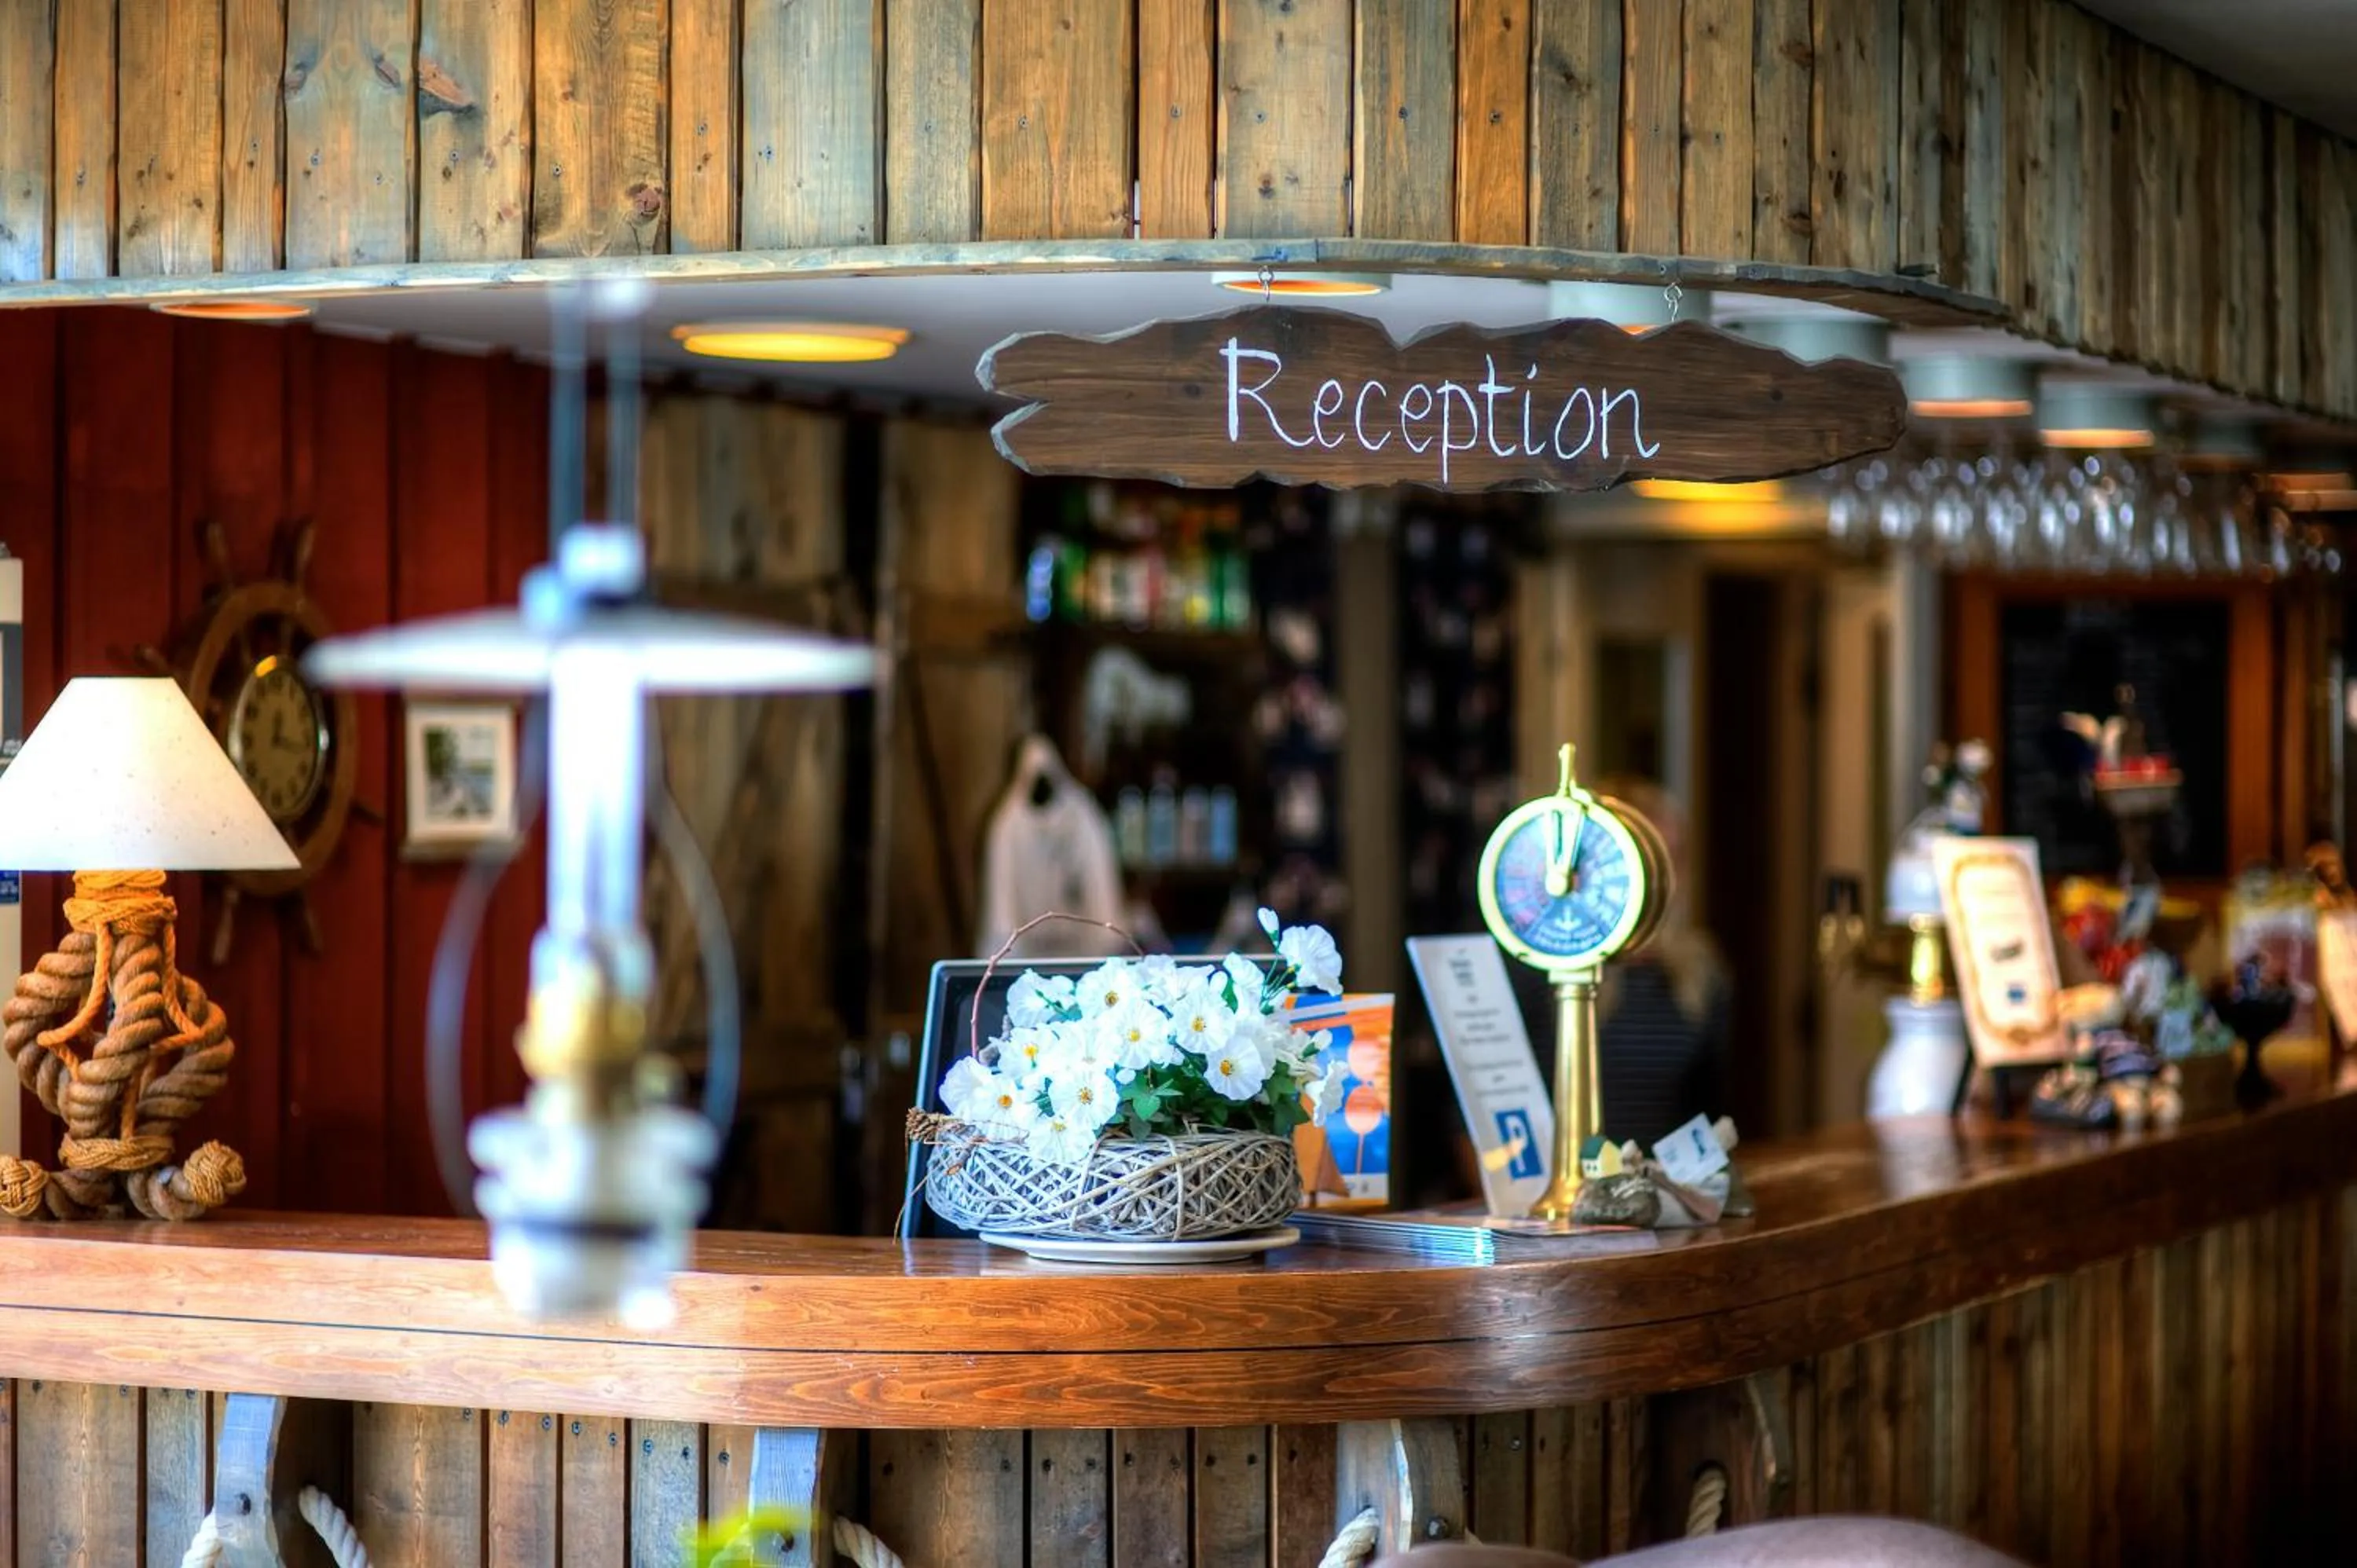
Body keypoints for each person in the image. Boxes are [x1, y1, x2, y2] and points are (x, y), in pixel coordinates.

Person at [1505, 776, 1730, 1156]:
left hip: (1660, 1198)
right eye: (1644, 859)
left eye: (1672, 858)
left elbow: (1708, 1118)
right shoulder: (1545, 963)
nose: (1663, 879)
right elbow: (1485, 1106)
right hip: (1548, 1200)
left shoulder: (1701, 972)